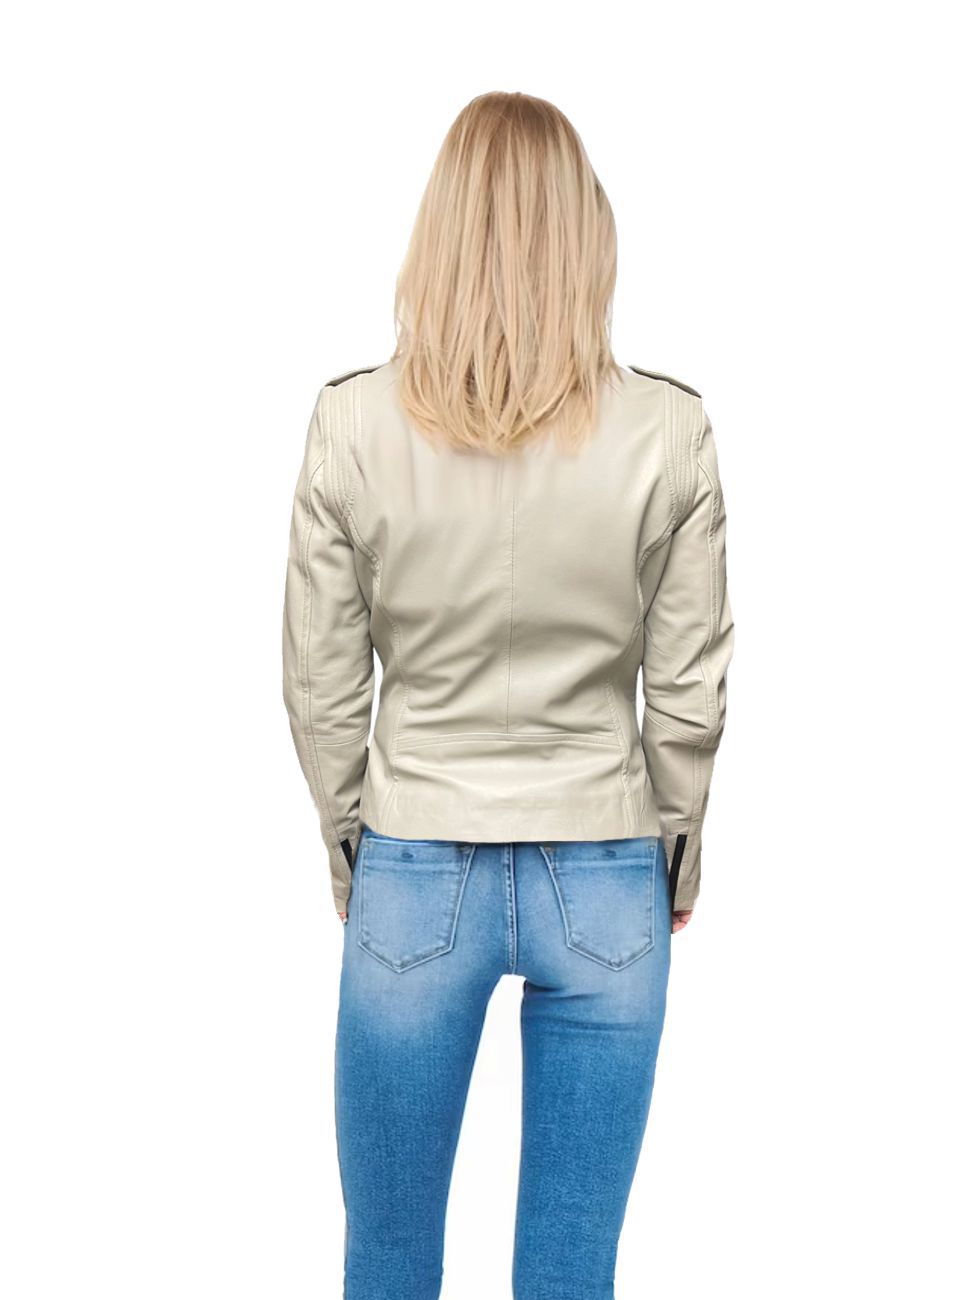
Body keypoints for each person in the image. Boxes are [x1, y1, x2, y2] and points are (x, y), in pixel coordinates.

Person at [282, 90, 735, 1300]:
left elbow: (321, 682)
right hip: (605, 867)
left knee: (387, 1261)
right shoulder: (670, 432)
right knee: (571, 1272)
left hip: (413, 860)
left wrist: (352, 846)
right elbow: (688, 691)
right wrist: (673, 855)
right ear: (586, 231)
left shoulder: (350, 424)